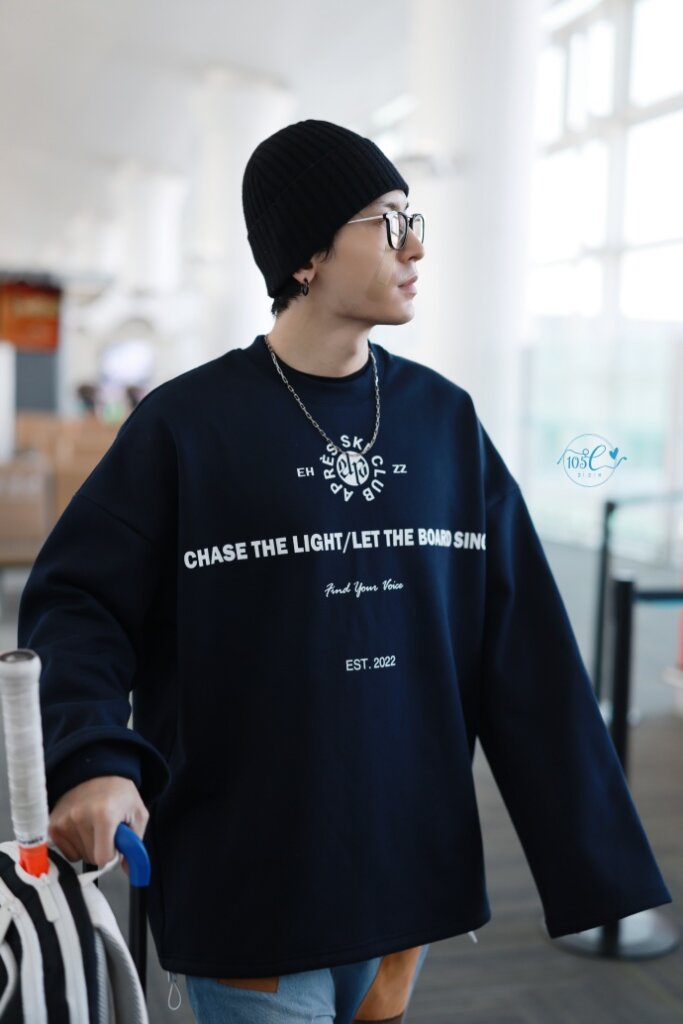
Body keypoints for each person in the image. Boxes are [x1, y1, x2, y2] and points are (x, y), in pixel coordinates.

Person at [17, 119, 672, 1024]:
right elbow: (78, 602)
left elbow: (526, 648)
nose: (415, 246)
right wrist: (92, 758)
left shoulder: (444, 423)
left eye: (414, 220)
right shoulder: (186, 427)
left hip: (407, 871)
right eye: (386, 220)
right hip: (251, 877)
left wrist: (593, 854)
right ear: (307, 255)